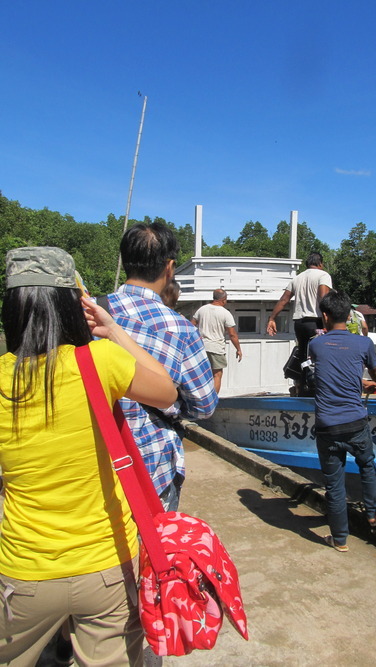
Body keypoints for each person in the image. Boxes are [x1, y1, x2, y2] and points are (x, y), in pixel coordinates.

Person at [0, 246, 178, 666]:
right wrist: (113, 330)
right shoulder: (99, 360)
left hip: (25, 569)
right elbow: (167, 391)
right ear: (72, 304)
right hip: (107, 566)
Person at [103, 221, 218, 511]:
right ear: (169, 267)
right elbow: (204, 406)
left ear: (125, 261)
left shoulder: (89, 311)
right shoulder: (181, 329)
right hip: (150, 468)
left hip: (91, 463)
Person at [308, 291, 376, 552]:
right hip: (356, 423)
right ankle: (372, 513)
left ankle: (340, 540)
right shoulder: (364, 343)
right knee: (367, 465)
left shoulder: (315, 344)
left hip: (327, 427)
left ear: (325, 316)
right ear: (349, 315)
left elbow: (329, 370)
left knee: (334, 486)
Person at [266, 252, 332, 395]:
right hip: (316, 322)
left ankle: (301, 389)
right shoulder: (323, 275)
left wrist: (272, 318)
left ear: (308, 264)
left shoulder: (297, 278)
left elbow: (284, 299)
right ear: (320, 264)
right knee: (318, 356)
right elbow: (323, 298)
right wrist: (327, 322)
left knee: (303, 356)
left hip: (299, 323)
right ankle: (316, 390)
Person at [191, 289, 243, 394]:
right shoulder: (225, 313)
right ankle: (213, 399)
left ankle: (200, 397)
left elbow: (191, 326)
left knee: (202, 374)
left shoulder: (201, 310)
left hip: (201, 347)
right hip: (216, 348)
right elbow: (232, 334)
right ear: (223, 299)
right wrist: (238, 349)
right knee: (217, 375)